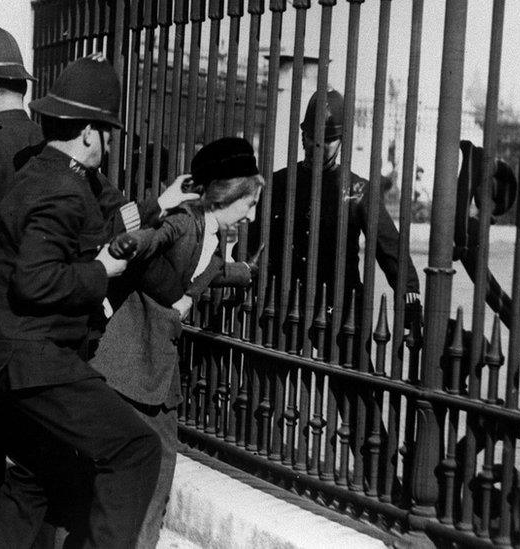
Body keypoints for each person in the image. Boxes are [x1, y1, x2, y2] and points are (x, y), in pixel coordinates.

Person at [0, 55, 162, 548]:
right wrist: (102, 271)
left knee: (37, 473)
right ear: (91, 133)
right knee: (137, 450)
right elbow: (35, 280)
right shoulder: (64, 188)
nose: (110, 144)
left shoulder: (35, 173)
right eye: (109, 132)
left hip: (1, 360)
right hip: (37, 362)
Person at [96, 137, 264, 548]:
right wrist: (131, 243)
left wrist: (244, 272)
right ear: (229, 195)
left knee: (161, 467)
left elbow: (209, 270)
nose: (252, 214)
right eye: (250, 204)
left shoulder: (215, 237)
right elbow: (158, 239)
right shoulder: (187, 222)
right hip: (129, 360)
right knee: (114, 473)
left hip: (157, 369)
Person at [261, 88, 421, 346]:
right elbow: (257, 242)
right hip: (286, 304)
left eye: (329, 138)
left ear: (342, 140)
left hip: (340, 307)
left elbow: (389, 246)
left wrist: (409, 292)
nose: (319, 145)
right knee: (276, 382)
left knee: (351, 383)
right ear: (303, 136)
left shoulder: (358, 190)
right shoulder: (280, 182)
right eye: (313, 136)